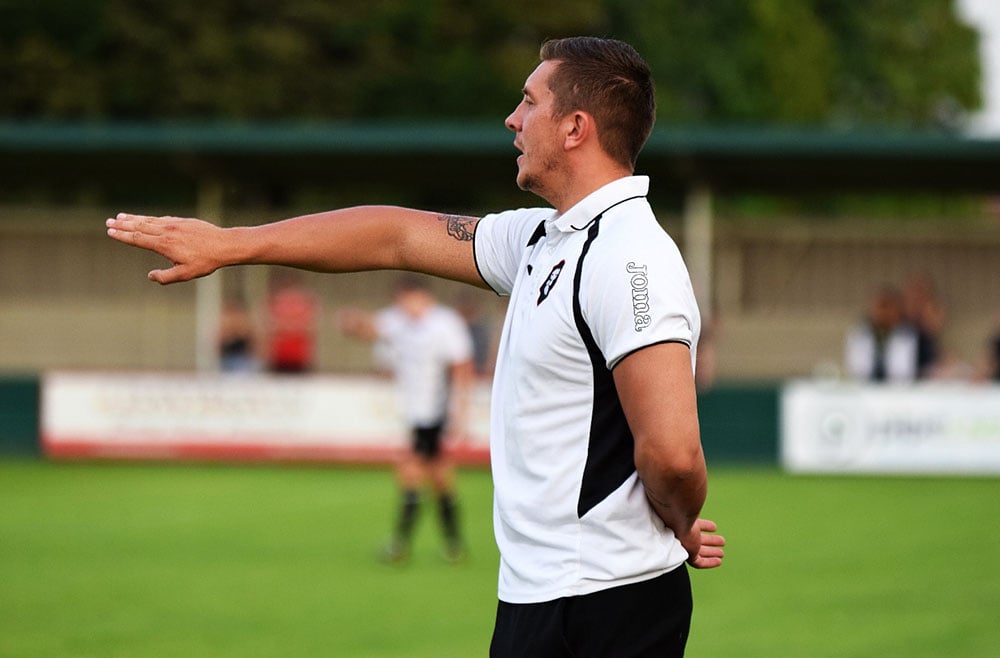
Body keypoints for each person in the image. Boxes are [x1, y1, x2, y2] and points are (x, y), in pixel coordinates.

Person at [106, 36, 725, 657]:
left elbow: (672, 452)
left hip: (603, 601)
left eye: (528, 101)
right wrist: (233, 245)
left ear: (574, 128)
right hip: (543, 596)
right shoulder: (543, 239)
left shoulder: (629, 256)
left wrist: (675, 519)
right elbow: (397, 236)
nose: (512, 118)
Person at [337, 276, 474, 563]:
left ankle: (400, 545)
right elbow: (370, 330)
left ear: (422, 297)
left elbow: (462, 367)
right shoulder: (398, 320)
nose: (404, 307)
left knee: (410, 472)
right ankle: (453, 546)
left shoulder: (445, 323)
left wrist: (460, 410)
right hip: (415, 412)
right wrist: (353, 322)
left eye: (407, 300)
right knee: (439, 478)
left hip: (435, 412)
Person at [844, 285, 919, 382]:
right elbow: (855, 369)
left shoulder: (909, 335)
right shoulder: (859, 334)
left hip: (900, 392)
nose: (882, 312)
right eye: (878, 307)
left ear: (897, 309)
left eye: (886, 306)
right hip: (865, 390)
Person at [264, 270, 318, 373]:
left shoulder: (306, 301)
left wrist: (286, 326)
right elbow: (270, 325)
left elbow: (310, 327)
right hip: (279, 355)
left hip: (299, 356)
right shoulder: (273, 300)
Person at [217, 294, 261, 373]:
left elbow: (250, 337)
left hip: (241, 358)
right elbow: (219, 339)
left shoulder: (244, 320)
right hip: (227, 357)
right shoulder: (224, 321)